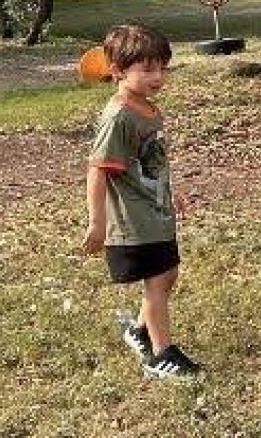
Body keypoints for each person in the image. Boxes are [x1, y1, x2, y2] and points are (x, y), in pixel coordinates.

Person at [82, 24, 201, 379]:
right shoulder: (118, 116)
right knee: (158, 278)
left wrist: (169, 188)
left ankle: (140, 330)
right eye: (147, 69)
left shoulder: (147, 109)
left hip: (156, 210)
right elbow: (97, 170)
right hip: (135, 219)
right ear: (118, 71)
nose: (158, 76)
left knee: (168, 275)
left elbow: (152, 161)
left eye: (162, 67)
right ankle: (160, 354)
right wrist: (98, 223)